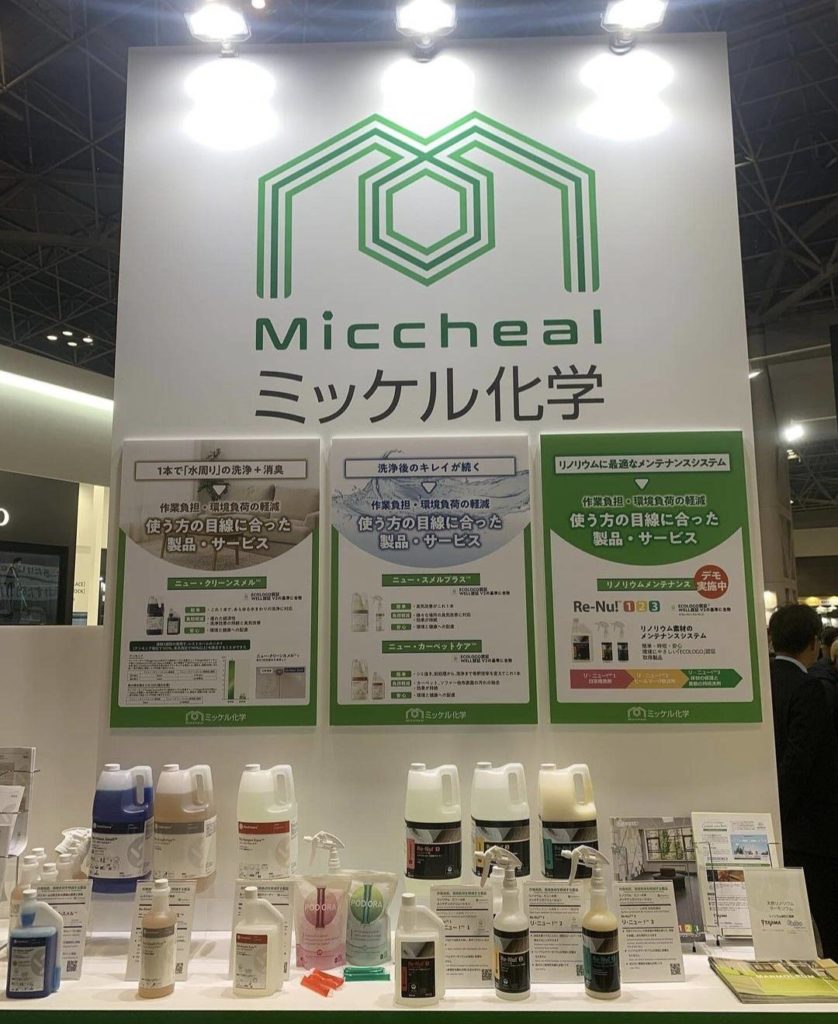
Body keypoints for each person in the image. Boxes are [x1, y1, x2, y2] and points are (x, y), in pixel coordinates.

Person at [769, 604, 838, 958]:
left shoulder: (761, 684)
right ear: (814, 643)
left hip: (774, 829)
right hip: (810, 831)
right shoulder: (807, 688)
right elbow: (799, 761)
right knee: (826, 920)